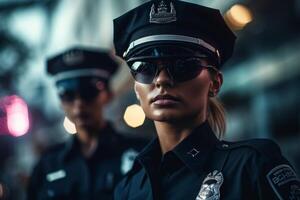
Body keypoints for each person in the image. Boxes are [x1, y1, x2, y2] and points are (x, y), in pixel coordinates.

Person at [112, 0, 300, 199]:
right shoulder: (128, 188)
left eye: (183, 65)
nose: (162, 79)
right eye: (144, 68)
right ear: (135, 88)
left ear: (215, 83)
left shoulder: (252, 167)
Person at [27, 47, 146, 200]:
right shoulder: (47, 166)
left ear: (108, 95)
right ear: (60, 102)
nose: (78, 105)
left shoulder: (141, 156)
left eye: (88, 93)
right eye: (68, 95)